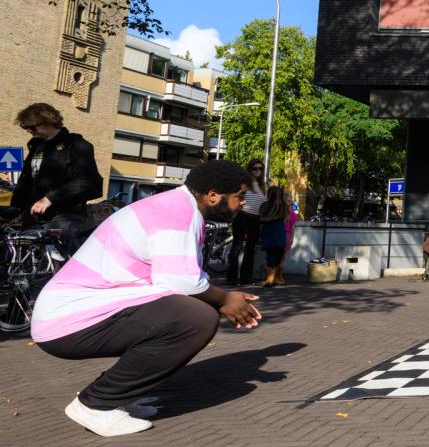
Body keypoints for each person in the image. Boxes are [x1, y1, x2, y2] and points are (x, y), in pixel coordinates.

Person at [31, 160, 261, 437]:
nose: (243, 204)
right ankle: (96, 403)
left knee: (183, 313)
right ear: (213, 196)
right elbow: (181, 282)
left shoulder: (178, 206)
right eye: (239, 197)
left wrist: (222, 299)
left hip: (71, 314)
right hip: (65, 320)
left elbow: (178, 280)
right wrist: (224, 300)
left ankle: (118, 395)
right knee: (196, 319)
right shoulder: (178, 212)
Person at [11, 103, 102, 251]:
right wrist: (15, 207)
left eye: (32, 127)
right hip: (32, 217)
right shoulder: (36, 147)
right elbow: (27, 179)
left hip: (64, 217)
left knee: (58, 259)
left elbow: (86, 180)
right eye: (25, 127)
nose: (28, 131)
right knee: (27, 259)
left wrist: (50, 198)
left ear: (48, 122)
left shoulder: (77, 145)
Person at [226, 158, 266, 287]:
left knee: (250, 249)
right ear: (250, 169)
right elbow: (233, 196)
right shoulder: (244, 183)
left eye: (260, 168)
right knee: (237, 246)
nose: (258, 171)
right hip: (242, 216)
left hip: (256, 219)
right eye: (255, 168)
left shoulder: (263, 186)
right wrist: (240, 201)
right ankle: (232, 278)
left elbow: (264, 203)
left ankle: (246, 278)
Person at [258, 186, 289, 287]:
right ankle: (276, 278)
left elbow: (261, 218)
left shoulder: (264, 206)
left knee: (269, 255)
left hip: (267, 232)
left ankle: (269, 279)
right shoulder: (283, 206)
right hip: (278, 233)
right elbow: (288, 219)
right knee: (278, 255)